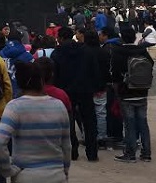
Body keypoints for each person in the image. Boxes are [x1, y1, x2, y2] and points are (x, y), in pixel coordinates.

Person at [0, 61, 71, 183]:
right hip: (56, 175)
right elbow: (66, 146)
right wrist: (64, 171)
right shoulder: (59, 106)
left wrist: (7, 170)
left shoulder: (14, 107)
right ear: (41, 80)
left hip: (25, 176)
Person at [51, 26, 99, 161]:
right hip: (85, 89)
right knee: (89, 121)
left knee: (68, 122)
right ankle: (92, 152)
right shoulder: (86, 50)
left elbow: (55, 75)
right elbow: (94, 70)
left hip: (66, 91)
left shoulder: (57, 53)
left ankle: (73, 150)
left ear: (60, 38)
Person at [109, 25, 153, 163]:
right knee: (143, 122)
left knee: (129, 123)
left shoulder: (118, 52)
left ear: (121, 37)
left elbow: (114, 73)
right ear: (135, 37)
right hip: (142, 90)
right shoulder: (142, 50)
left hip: (126, 92)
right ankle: (146, 153)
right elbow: (150, 64)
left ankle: (130, 153)